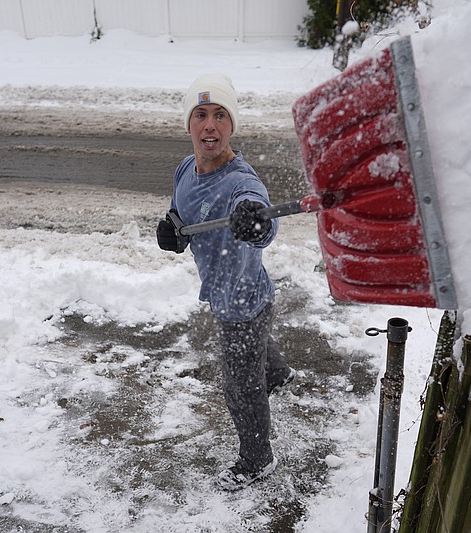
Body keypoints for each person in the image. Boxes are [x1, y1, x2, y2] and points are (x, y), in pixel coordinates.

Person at [156, 73, 295, 491]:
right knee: (255, 352)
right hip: (230, 288)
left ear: (231, 125)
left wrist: (255, 223)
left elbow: (259, 215)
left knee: (239, 385)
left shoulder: (241, 182)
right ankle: (279, 373)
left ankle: (257, 459)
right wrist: (171, 228)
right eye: (201, 115)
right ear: (189, 125)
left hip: (242, 301)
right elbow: (181, 213)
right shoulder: (186, 167)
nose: (209, 125)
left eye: (220, 115)